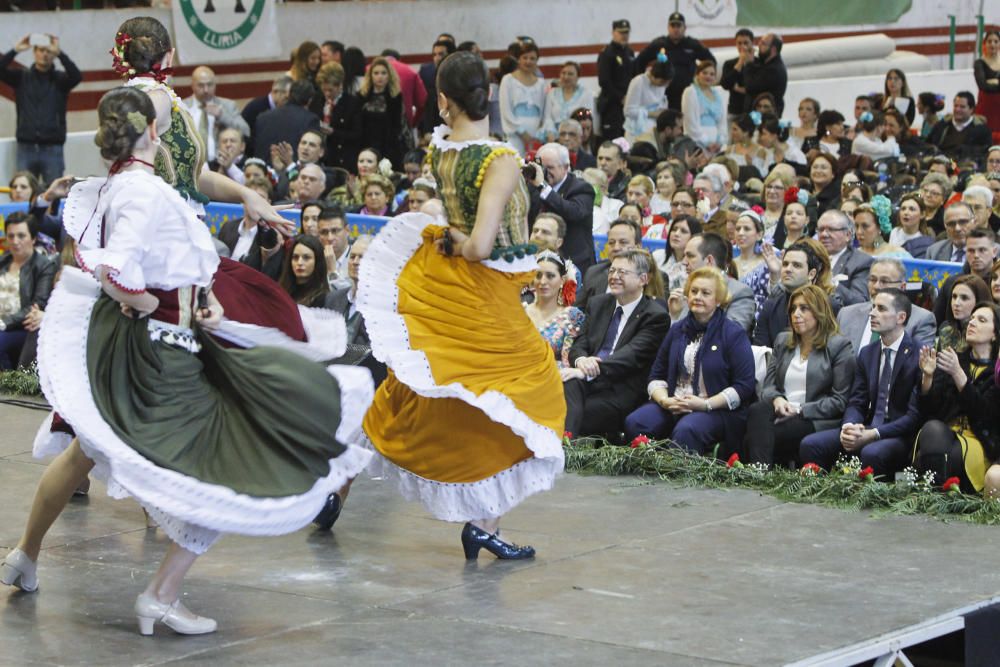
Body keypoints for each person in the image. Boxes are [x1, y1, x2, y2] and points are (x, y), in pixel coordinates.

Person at [0, 86, 372, 633]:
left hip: (156, 345)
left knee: (95, 449)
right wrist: (146, 301)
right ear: (154, 131)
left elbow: (147, 261)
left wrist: (201, 301)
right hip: (159, 354)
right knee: (225, 462)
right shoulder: (143, 193)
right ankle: (160, 593)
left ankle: (27, 555)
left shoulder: (123, 187)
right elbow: (118, 268)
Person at [355, 51, 566, 560]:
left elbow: (462, 211)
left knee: (428, 384)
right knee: (531, 390)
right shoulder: (500, 158)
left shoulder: (443, 150)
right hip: (483, 289)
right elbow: (479, 244)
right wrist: (459, 229)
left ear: (444, 101)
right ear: (488, 93)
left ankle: (342, 476)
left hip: (449, 284)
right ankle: (483, 523)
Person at [625, 266, 754, 457]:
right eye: (693, 291)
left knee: (687, 430)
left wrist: (705, 404)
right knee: (636, 422)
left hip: (714, 409)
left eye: (705, 293)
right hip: (674, 402)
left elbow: (744, 386)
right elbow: (656, 374)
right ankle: (646, 471)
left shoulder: (733, 334)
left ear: (718, 300)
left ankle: (675, 480)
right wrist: (665, 400)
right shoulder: (677, 330)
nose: (697, 297)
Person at [799, 289, 922, 478]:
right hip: (866, 426)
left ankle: (869, 503)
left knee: (871, 452)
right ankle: (818, 497)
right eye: (873, 307)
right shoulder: (868, 352)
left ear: (900, 317)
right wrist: (849, 426)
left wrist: (873, 433)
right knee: (811, 444)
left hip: (898, 433)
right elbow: (857, 401)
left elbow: (913, 417)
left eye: (881, 309)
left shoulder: (917, 354)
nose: (872, 313)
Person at [564, 249, 670, 438]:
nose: (614, 276)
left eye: (622, 272)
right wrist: (580, 359)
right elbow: (580, 342)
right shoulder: (598, 303)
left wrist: (587, 369)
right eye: (612, 271)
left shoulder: (655, 316)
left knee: (574, 410)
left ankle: (564, 446)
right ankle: (564, 445)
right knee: (565, 387)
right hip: (588, 380)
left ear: (643, 279)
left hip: (621, 389)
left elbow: (631, 356)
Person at [745, 285, 854, 466]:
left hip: (813, 417)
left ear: (820, 312)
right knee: (757, 410)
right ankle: (760, 473)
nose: (796, 314)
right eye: (793, 309)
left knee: (757, 437)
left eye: (804, 308)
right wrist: (778, 400)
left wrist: (800, 410)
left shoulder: (839, 346)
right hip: (781, 410)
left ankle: (758, 473)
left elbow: (839, 401)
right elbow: (769, 386)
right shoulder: (783, 341)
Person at [915, 302, 1000, 496]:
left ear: (995, 334)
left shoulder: (996, 371)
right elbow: (930, 410)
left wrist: (959, 375)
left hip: (979, 441)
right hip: (944, 435)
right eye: (972, 319)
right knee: (932, 429)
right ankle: (941, 496)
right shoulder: (954, 359)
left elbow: (986, 415)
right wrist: (928, 377)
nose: (972, 323)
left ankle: (933, 496)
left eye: (981, 320)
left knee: (940, 456)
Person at [1, 33, 82, 185]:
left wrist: (60, 53)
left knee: (55, 195)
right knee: (25, 194)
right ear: (34, 52)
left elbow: (76, 76)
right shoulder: (21, 77)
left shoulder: (60, 80)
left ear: (53, 54)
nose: (44, 54)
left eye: (48, 51)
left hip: (52, 148)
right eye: (41, 50)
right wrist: (15, 50)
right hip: (26, 148)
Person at [836, 258, 937, 354]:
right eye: (873, 280)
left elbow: (920, 364)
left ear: (902, 287)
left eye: (884, 281)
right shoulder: (846, 315)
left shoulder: (921, 319)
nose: (876, 286)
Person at [527, 142, 596, 275]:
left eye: (550, 168)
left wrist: (543, 187)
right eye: (542, 167)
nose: (545, 172)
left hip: (572, 263)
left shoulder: (581, 188)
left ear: (565, 167)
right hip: (537, 260)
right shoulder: (534, 187)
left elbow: (574, 212)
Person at [753, 238, 836, 348]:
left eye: (796, 265)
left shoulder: (829, 305)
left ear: (811, 274)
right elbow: (760, 352)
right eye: (785, 264)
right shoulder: (770, 306)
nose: (788, 269)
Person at [0, 213, 56, 369]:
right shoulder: (3, 261)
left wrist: (4, 322)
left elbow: (37, 304)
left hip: (21, 327)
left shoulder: (44, 265)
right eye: (10, 236)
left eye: (21, 236)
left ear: (33, 239)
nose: (15, 241)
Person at [669, 232, 755, 332]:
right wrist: (675, 316)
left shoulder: (739, 292)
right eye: (684, 256)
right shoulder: (690, 289)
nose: (684, 262)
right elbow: (678, 337)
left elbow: (733, 334)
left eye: (690, 256)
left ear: (709, 261)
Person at [635, 12, 715, 110]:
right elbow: (639, 62)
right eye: (673, 26)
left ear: (684, 28)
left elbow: (711, 62)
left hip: (687, 94)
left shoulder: (692, 45)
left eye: (679, 26)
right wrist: (646, 84)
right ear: (668, 27)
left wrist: (701, 79)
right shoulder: (659, 44)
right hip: (662, 95)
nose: (676, 29)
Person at [525, 250, 585, 369]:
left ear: (562, 280)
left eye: (550, 276)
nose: (543, 281)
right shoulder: (520, 311)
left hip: (553, 379)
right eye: (538, 275)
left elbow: (567, 362)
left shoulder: (571, 317)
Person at [183, 66, 251, 163]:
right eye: (201, 85)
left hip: (220, 163)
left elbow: (246, 131)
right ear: (192, 85)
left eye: (209, 85)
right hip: (190, 163)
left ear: (215, 85)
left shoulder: (227, 105)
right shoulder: (182, 106)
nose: (206, 90)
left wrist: (222, 116)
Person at [576, 218, 641, 311]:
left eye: (623, 242)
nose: (616, 248)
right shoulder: (594, 272)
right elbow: (577, 311)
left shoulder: (650, 277)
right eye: (611, 243)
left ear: (638, 247)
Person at [254, 80, 322, 166]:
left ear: (288, 95)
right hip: (292, 174)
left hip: (263, 173)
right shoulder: (310, 120)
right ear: (310, 100)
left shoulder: (263, 117)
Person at [310, 61, 362, 171]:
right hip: (321, 159)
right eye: (324, 90)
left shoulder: (352, 103)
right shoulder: (317, 101)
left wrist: (334, 132)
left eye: (330, 90)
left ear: (340, 85)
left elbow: (358, 135)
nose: (327, 94)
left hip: (343, 159)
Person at [498, 40, 547, 156]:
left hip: (536, 136)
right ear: (518, 59)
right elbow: (506, 111)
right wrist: (522, 133)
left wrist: (538, 134)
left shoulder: (541, 83)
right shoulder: (508, 80)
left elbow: (545, 113)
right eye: (525, 57)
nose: (528, 61)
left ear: (537, 61)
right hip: (514, 136)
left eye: (532, 58)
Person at [816, 209, 872, 306]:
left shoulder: (861, 262)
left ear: (848, 235)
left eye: (831, 229)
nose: (824, 234)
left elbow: (860, 303)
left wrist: (832, 284)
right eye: (821, 230)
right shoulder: (809, 256)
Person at [358, 56, 407, 169]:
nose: (380, 76)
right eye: (376, 73)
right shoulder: (362, 95)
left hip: (388, 146)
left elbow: (396, 126)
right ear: (370, 75)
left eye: (383, 73)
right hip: (366, 144)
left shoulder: (395, 97)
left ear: (389, 75)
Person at [596, 19, 635, 140]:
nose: (624, 36)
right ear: (613, 33)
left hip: (627, 105)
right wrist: (620, 97)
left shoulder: (630, 52)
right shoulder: (607, 53)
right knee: (613, 139)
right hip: (611, 105)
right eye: (621, 32)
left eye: (626, 32)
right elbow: (604, 81)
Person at [926, 92, 992, 161]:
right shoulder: (941, 126)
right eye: (956, 106)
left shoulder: (982, 131)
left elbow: (986, 153)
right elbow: (928, 145)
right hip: (939, 163)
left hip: (966, 166)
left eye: (962, 107)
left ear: (971, 109)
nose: (957, 109)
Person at [623, 57, 674, 144]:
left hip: (654, 130)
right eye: (662, 82)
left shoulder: (662, 84)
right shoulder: (638, 82)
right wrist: (651, 114)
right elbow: (628, 111)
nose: (664, 86)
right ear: (653, 76)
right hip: (637, 131)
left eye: (667, 83)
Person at [936, 274, 991, 354]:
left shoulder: (987, 333)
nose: (956, 303)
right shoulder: (945, 328)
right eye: (954, 297)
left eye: (964, 298)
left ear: (979, 301)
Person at [543, 62, 595, 143]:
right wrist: (551, 133)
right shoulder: (552, 93)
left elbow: (588, 116)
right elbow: (547, 117)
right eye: (563, 73)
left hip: (577, 138)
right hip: (554, 137)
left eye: (570, 74)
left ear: (577, 77)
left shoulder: (586, 94)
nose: (566, 77)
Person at [681, 61, 725, 154]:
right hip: (696, 141)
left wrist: (720, 141)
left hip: (716, 144)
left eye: (712, 74)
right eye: (704, 73)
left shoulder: (718, 94)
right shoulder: (690, 92)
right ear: (697, 75)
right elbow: (690, 122)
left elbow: (722, 121)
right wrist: (706, 142)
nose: (708, 76)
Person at [732, 209, 770, 316]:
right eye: (738, 229)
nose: (741, 233)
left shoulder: (766, 264)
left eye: (747, 229)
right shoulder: (728, 264)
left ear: (759, 234)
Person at [279, 234, 332, 307]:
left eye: (306, 258)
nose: (299, 262)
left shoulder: (324, 298)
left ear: (317, 261)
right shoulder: (281, 291)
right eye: (295, 257)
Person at [418, 37, 457, 134]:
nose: (437, 58)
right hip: (433, 126)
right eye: (434, 54)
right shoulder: (426, 72)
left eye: (441, 54)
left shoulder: (458, 77)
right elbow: (425, 103)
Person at [654, 213, 701, 290]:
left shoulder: (696, 263)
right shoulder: (657, 255)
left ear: (694, 236)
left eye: (683, 231)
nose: (676, 234)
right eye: (674, 229)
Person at [742, 33, 786, 115]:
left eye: (763, 43)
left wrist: (748, 64)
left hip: (765, 119)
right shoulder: (766, 64)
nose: (758, 45)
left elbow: (750, 86)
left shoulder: (773, 70)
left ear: (773, 49)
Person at [720, 29, 755, 123]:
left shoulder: (759, 63)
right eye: (739, 43)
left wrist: (739, 88)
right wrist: (740, 62)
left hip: (754, 111)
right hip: (735, 110)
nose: (742, 46)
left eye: (746, 43)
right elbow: (725, 84)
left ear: (752, 43)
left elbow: (756, 86)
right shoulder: (729, 64)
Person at [889, 192, 934, 258]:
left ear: (922, 214)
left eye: (912, 209)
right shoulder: (895, 232)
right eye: (903, 209)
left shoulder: (925, 240)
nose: (906, 213)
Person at [975, 31, 1000, 133]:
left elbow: (987, 84)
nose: (992, 44)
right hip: (986, 105)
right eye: (989, 41)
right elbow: (982, 85)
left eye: (996, 41)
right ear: (984, 44)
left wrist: (992, 82)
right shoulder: (979, 63)